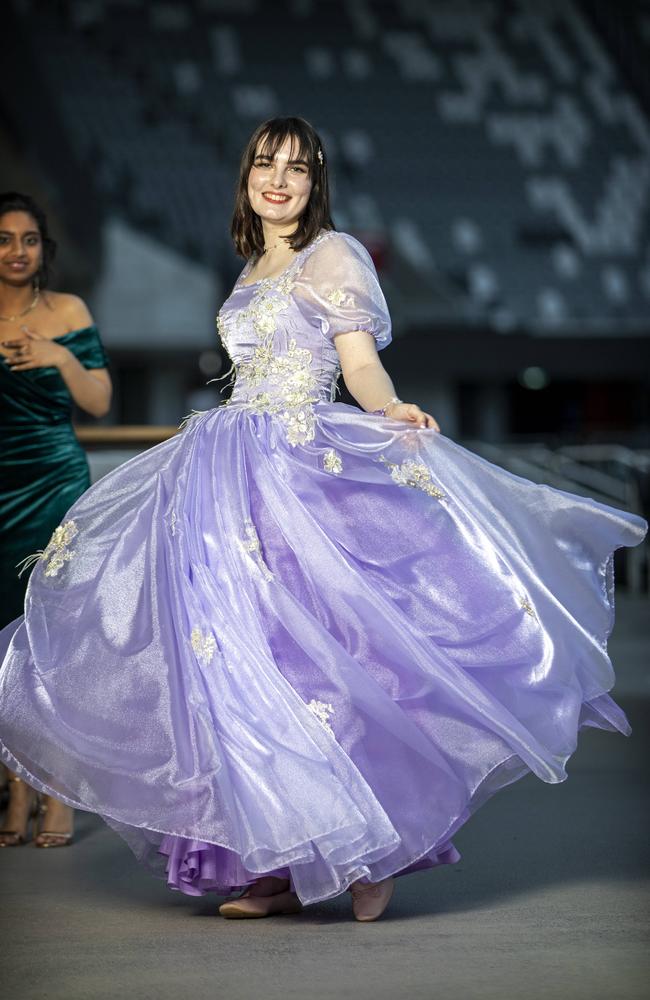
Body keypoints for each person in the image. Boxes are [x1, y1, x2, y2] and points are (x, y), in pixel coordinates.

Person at [0, 120, 645, 921]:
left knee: (324, 663)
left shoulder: (333, 254)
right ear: (245, 177)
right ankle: (273, 862)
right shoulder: (253, 263)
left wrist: (392, 408)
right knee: (234, 668)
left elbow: (359, 362)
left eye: (296, 169)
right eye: (265, 164)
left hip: (297, 467)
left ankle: (370, 847)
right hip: (219, 476)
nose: (278, 179)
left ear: (315, 184)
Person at [0, 192, 111, 849]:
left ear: (45, 248)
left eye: (29, 239)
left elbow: (98, 401)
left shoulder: (68, 312)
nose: (17, 250)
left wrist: (59, 356)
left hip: (52, 483)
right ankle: (15, 790)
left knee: (51, 638)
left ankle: (57, 790)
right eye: (5, 238)